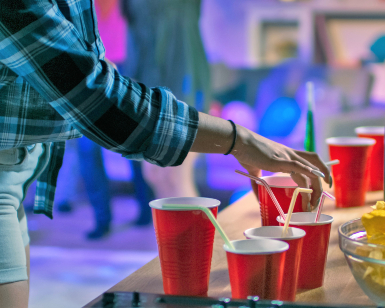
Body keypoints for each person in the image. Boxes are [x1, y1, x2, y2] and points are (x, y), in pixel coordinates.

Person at [0, 1, 331, 307]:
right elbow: (95, 95)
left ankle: (211, 284)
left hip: (170, 74)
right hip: (142, 79)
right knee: (163, 176)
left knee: (171, 179)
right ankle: (209, 286)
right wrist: (238, 139)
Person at [121, 0, 210, 200]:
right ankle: (173, 231)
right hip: (150, 89)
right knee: (155, 174)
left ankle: (198, 230)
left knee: (175, 175)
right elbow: (137, 43)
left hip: (182, 87)